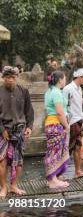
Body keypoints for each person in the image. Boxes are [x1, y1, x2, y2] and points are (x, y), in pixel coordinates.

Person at [0, 66, 34, 197]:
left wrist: (29, 127)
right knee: (2, 161)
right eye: (7, 77)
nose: (10, 80)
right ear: (3, 78)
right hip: (3, 130)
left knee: (18, 161)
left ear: (16, 78)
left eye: (13, 77)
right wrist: (2, 130)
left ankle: (13, 186)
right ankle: (3, 188)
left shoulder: (23, 91)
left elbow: (29, 111)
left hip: (19, 130)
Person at [43, 70, 70, 189]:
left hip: (50, 123)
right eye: (64, 78)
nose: (65, 80)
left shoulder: (49, 91)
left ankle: (53, 178)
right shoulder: (57, 92)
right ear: (60, 80)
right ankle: (53, 180)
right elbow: (59, 112)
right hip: (56, 124)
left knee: (53, 150)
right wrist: (66, 125)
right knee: (55, 151)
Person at [63, 67, 83, 178]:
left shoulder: (79, 88)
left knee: (78, 147)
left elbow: (78, 107)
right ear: (79, 77)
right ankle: (59, 174)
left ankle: (78, 171)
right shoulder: (68, 88)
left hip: (78, 120)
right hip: (71, 122)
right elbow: (64, 106)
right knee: (68, 148)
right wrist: (65, 124)